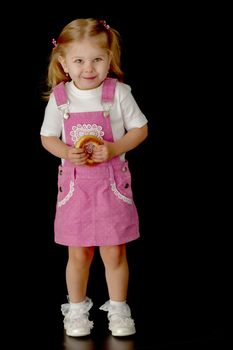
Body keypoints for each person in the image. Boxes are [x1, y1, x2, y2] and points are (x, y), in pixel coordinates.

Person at [40, 18, 148, 338]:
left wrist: (115, 148)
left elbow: (140, 129)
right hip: (76, 189)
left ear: (109, 57)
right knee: (79, 252)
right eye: (79, 60)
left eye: (97, 59)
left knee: (114, 251)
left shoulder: (118, 93)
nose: (89, 68)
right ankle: (76, 311)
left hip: (112, 185)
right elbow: (48, 137)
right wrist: (64, 151)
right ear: (64, 62)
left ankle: (118, 308)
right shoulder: (61, 99)